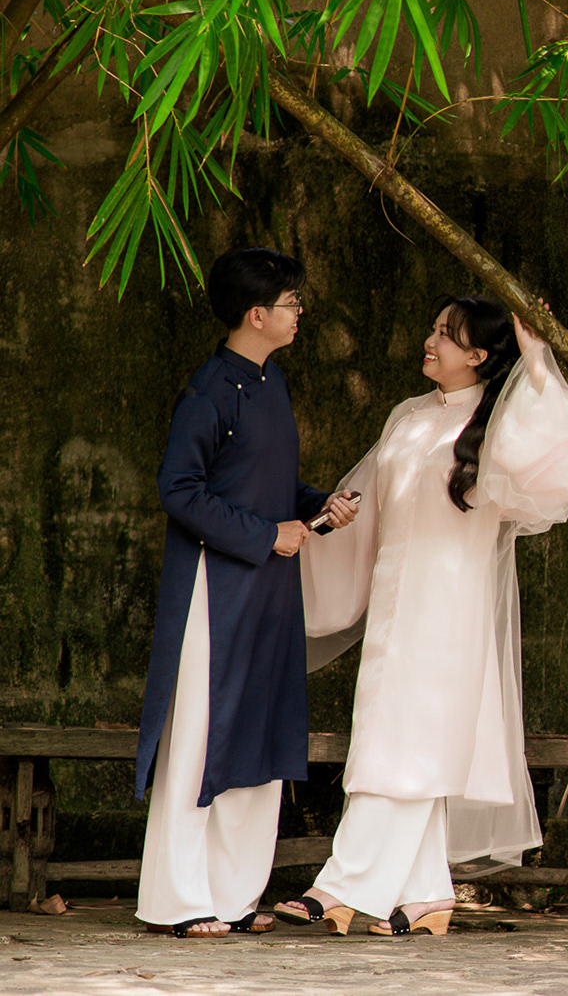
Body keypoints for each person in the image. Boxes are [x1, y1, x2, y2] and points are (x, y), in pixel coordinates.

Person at [277, 294, 568, 937]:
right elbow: (367, 500)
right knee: (391, 737)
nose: (431, 340)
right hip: (394, 601)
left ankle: (340, 884)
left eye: (448, 334)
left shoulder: (502, 421)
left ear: (478, 355)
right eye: (434, 328)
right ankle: (427, 895)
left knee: (406, 744)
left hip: (449, 609)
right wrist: (328, 522)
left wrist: (537, 360)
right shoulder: (408, 415)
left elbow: (555, 471)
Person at [135, 247, 361, 939]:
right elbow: (179, 491)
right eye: (292, 303)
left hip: (268, 588)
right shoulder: (208, 393)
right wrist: (267, 535)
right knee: (203, 735)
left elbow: (266, 482)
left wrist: (318, 505)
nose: (300, 312)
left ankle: (234, 897)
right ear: (256, 314)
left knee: (260, 734)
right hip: (218, 587)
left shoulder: (272, 383)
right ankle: (179, 900)